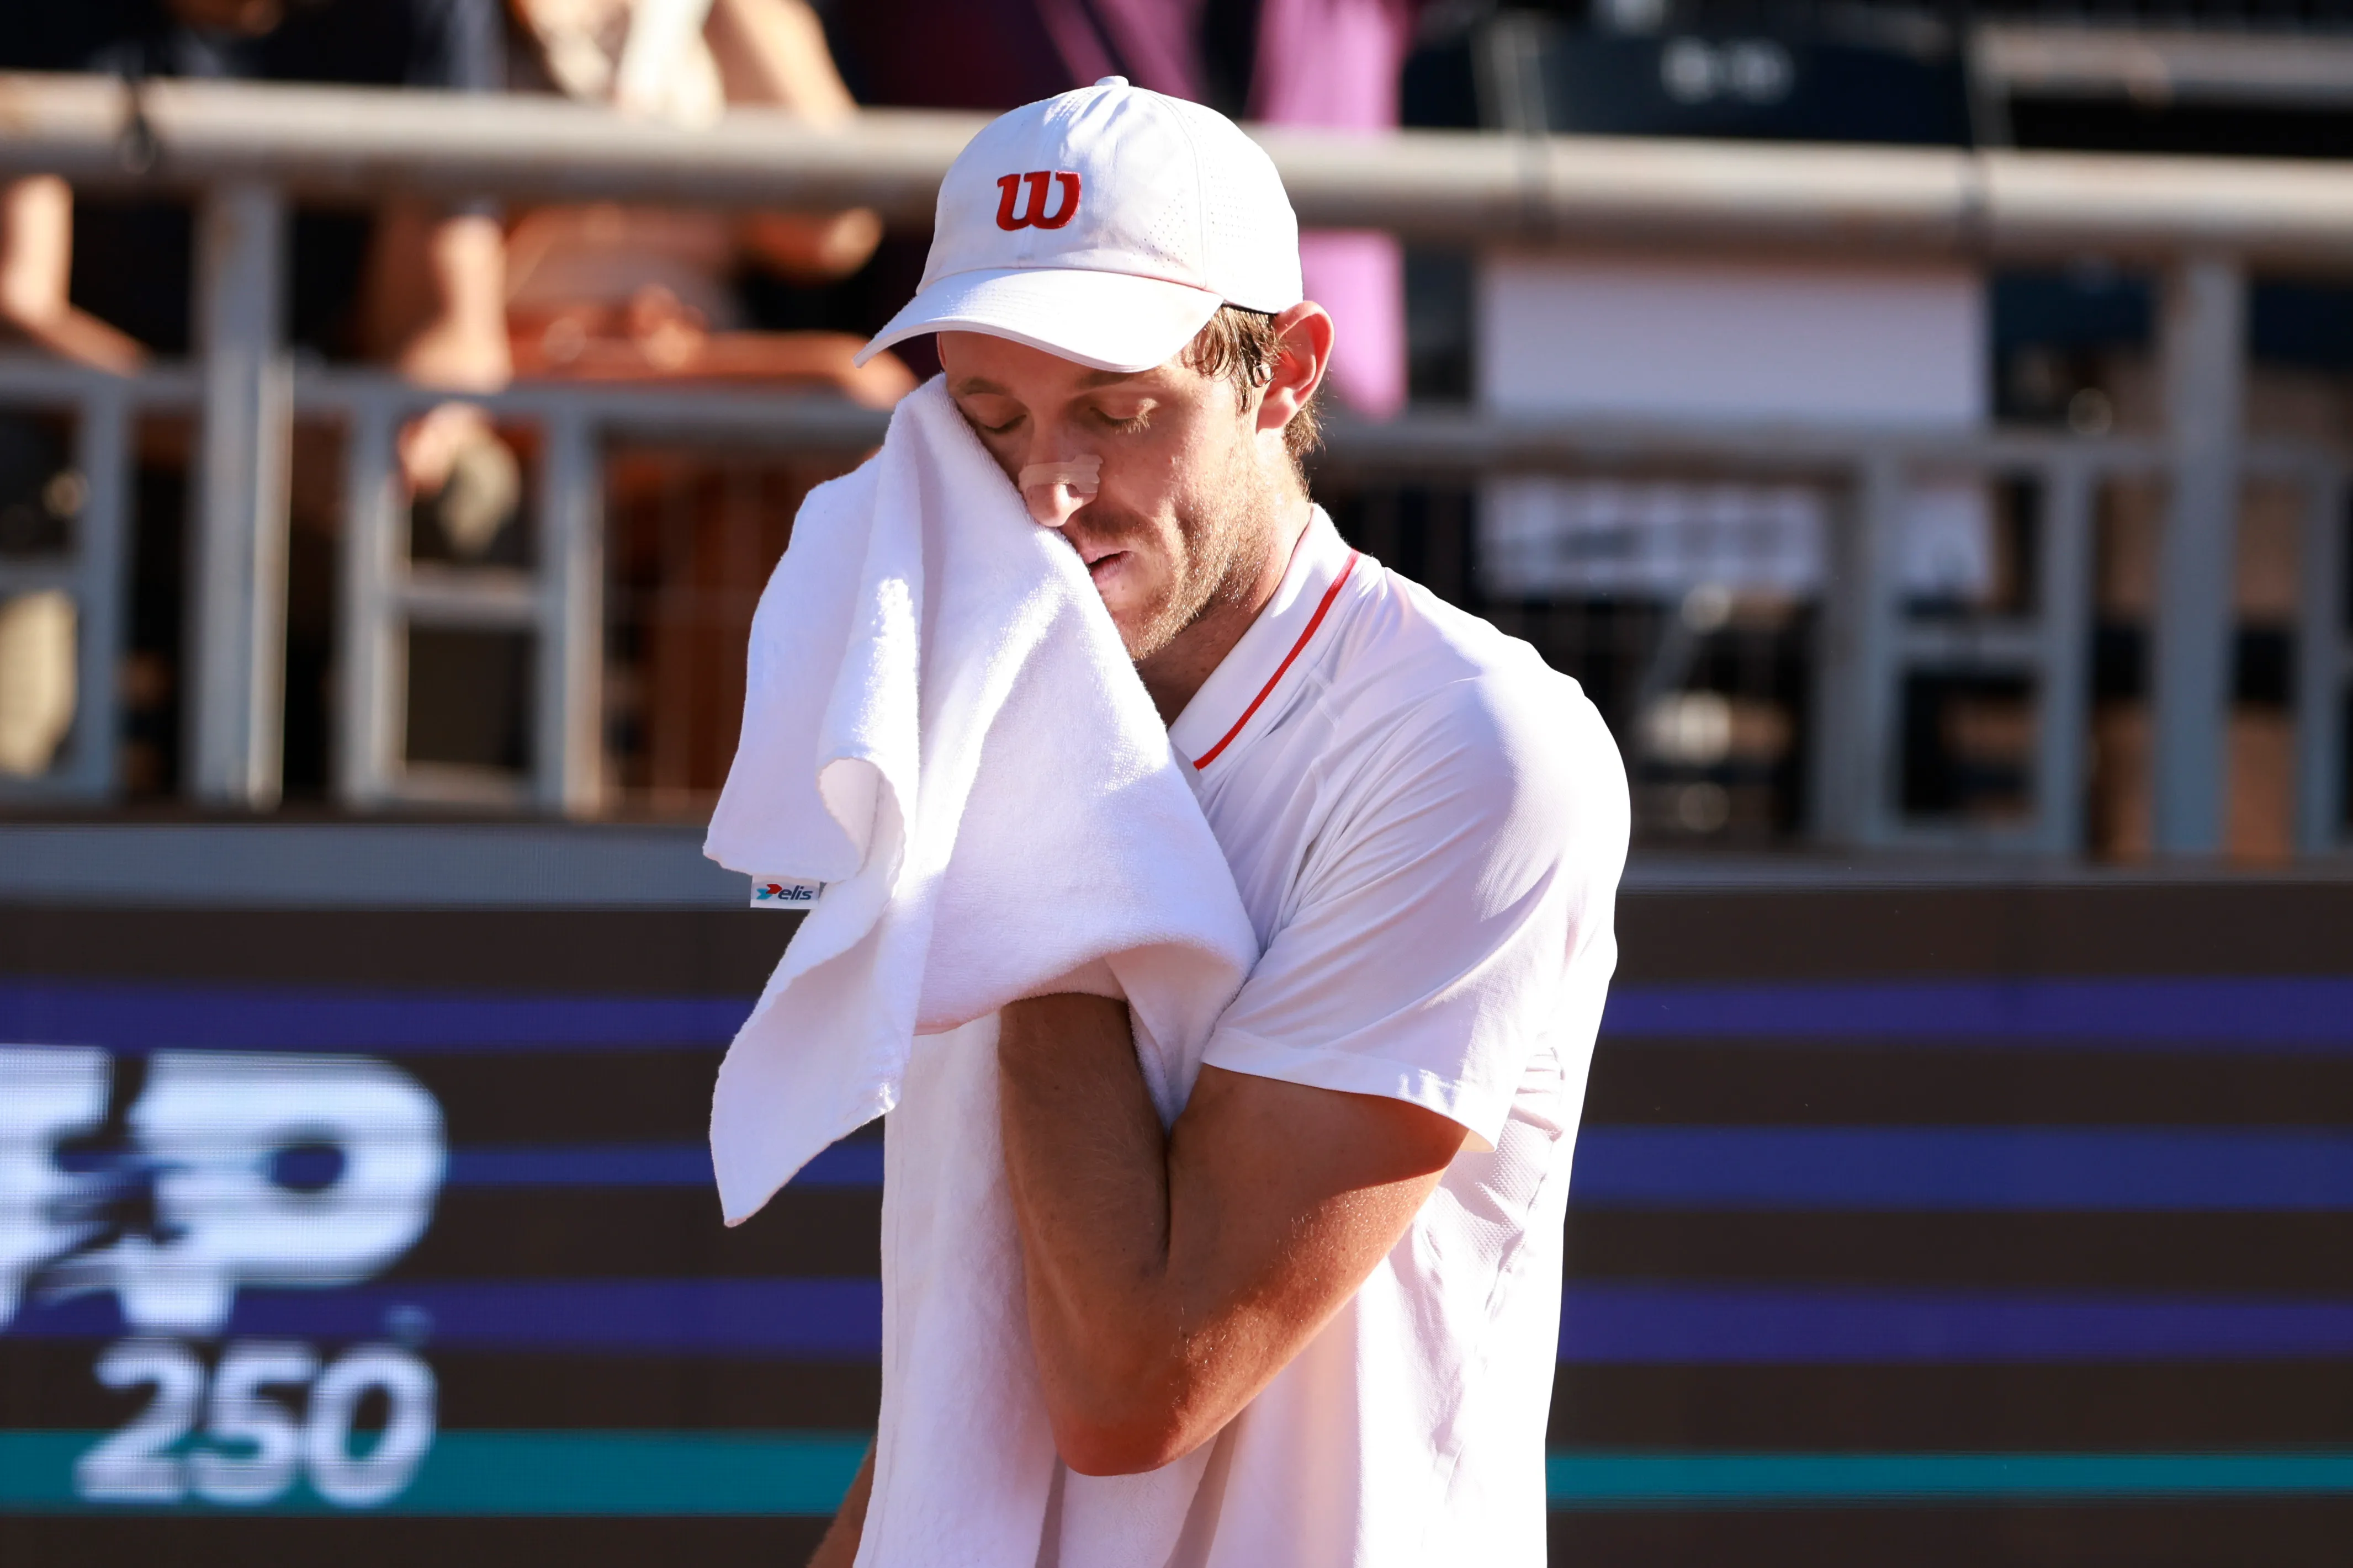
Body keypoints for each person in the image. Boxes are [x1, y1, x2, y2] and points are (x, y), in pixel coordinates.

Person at [810, 78, 1628, 1566]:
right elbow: (977, 1339)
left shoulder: (1472, 748)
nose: (1047, 490)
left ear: (1285, 374)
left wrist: (1030, 829)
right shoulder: (976, 710)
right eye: (987, 417)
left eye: (1117, 413)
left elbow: (1138, 1386)